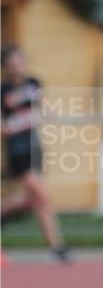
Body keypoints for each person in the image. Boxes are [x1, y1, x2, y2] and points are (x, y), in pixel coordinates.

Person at [1, 46, 70, 262]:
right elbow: (3, 126)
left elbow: (45, 108)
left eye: (20, 62)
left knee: (36, 200)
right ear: (5, 67)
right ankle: (57, 246)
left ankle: (55, 248)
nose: (17, 67)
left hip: (34, 146)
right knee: (42, 196)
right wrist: (15, 125)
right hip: (17, 149)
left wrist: (51, 116)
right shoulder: (3, 90)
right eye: (12, 63)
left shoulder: (33, 83)